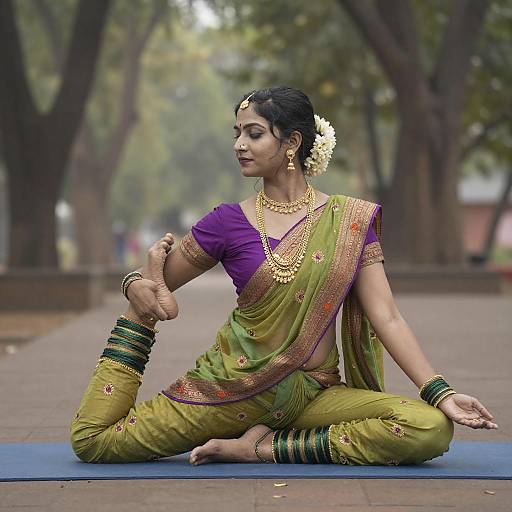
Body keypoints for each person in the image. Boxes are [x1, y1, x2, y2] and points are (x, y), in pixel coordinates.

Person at [70, 86, 498, 466]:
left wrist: (440, 392)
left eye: (253, 133)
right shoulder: (226, 222)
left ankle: (261, 447)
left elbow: (387, 316)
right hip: (228, 391)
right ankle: (250, 433)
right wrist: (136, 287)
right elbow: (153, 284)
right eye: (236, 134)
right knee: (94, 442)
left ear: (292, 142)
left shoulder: (349, 220)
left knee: (430, 427)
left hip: (310, 394)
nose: (239, 144)